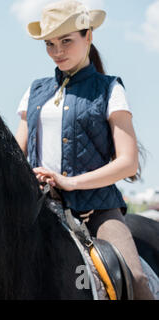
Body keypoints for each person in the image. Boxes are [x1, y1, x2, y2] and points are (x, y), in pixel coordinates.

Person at [14, 0, 154, 299]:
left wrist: (70, 182)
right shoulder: (34, 90)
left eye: (66, 41)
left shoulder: (110, 89)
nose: (57, 51)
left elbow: (128, 163)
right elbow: (17, 154)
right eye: (50, 44)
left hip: (98, 210)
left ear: (87, 36)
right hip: (41, 207)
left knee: (137, 279)